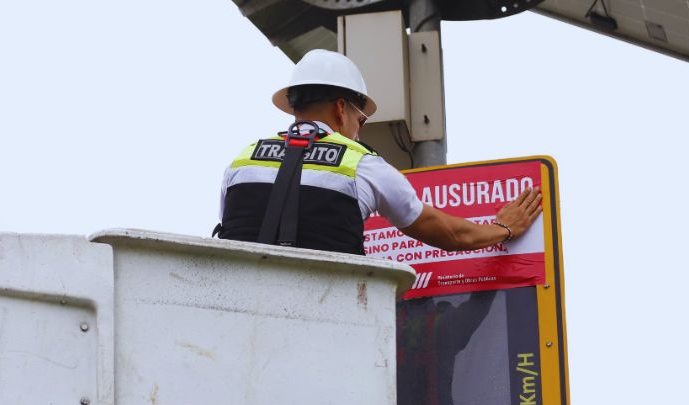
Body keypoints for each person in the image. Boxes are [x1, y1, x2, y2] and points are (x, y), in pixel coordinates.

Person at [216, 49, 542, 254]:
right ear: (341, 108)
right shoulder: (361, 164)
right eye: (362, 118)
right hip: (328, 320)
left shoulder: (241, 160)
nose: (360, 128)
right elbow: (449, 233)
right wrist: (504, 229)